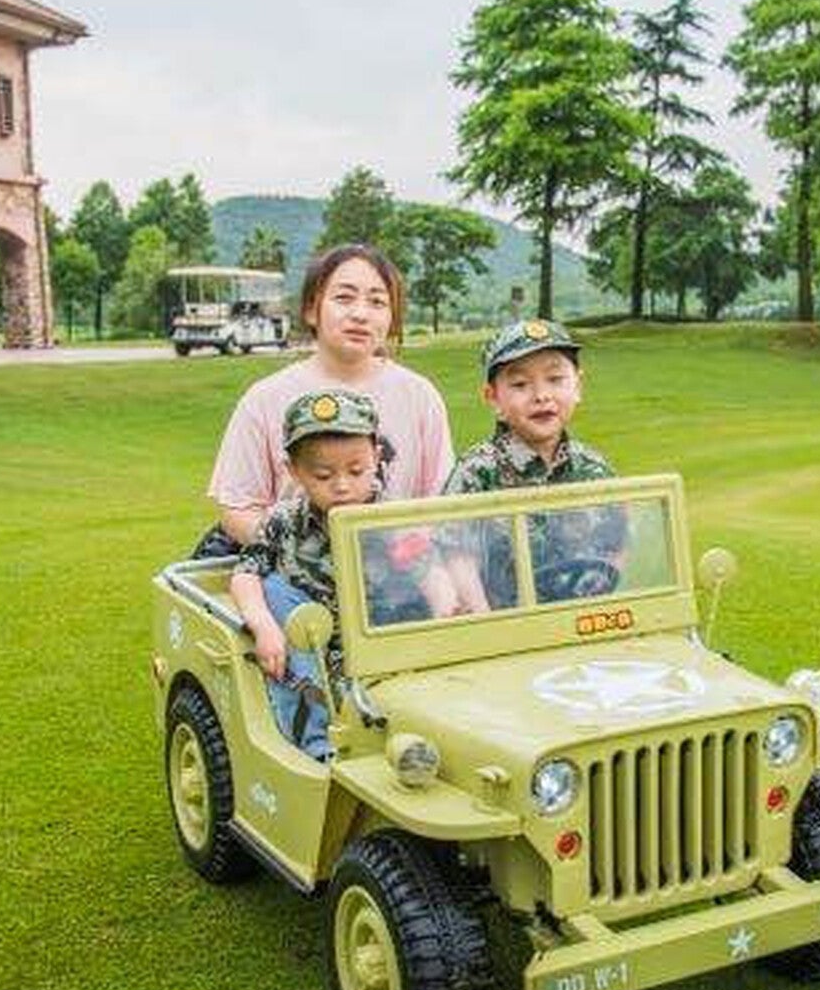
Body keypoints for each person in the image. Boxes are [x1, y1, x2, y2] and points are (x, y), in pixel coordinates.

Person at [230, 390, 456, 760]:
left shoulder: (389, 521)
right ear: (295, 471)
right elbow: (245, 572)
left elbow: (432, 576)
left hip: (381, 639)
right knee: (273, 588)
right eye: (323, 474)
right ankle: (317, 747)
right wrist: (263, 626)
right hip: (312, 646)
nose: (342, 485)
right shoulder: (284, 522)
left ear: (376, 458)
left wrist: (446, 612)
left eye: (356, 470)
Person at [206, 244, 454, 547]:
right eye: (344, 298)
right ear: (312, 309)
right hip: (297, 584)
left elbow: (443, 505)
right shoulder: (264, 399)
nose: (360, 314)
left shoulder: (419, 397)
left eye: (377, 302)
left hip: (397, 582)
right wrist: (300, 558)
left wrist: (399, 557)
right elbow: (238, 508)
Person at [442, 318, 621, 607]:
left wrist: (599, 601)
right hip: (506, 629)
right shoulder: (477, 472)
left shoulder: (594, 468)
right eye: (520, 384)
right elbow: (456, 555)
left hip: (582, 620)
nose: (541, 396)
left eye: (555, 379)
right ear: (493, 399)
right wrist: (482, 620)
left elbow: (616, 544)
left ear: (578, 386)